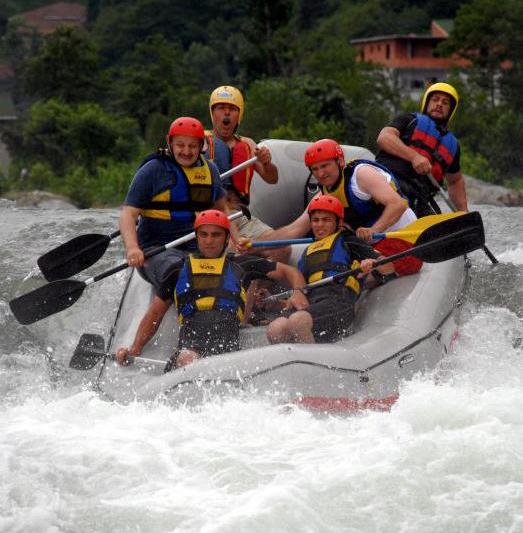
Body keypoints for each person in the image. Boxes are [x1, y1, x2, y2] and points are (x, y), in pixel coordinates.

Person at [116, 210, 309, 368]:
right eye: (204, 234)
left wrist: (298, 291)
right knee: (187, 358)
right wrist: (135, 348)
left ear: (226, 238)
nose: (209, 240)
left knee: (196, 361)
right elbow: (154, 314)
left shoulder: (242, 264)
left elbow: (289, 272)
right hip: (187, 351)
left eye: (216, 235)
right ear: (197, 237)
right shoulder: (178, 270)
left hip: (228, 352)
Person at [240, 138, 422, 277]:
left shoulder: (361, 175)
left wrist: (374, 230)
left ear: (340, 162)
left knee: (361, 275)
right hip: (370, 246)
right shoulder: (322, 196)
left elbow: (398, 204)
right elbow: (294, 230)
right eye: (315, 169)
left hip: (401, 236)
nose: (321, 173)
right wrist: (256, 246)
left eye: (325, 166)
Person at [119, 116, 229, 292]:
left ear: (201, 146)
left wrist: (235, 240)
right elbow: (128, 214)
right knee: (181, 273)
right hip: (155, 248)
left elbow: (222, 210)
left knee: (235, 272)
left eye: (192, 146)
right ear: (170, 143)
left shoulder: (211, 170)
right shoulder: (153, 169)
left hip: (197, 246)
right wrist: (132, 248)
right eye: (180, 145)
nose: (186, 151)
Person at [266, 195, 396, 344]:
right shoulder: (307, 252)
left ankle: (312, 364)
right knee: (276, 328)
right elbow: (306, 293)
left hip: (339, 301)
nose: (320, 225)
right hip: (314, 304)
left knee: (298, 321)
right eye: (315, 220)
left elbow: (389, 268)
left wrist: (372, 263)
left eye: (326, 220)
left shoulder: (349, 241)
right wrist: (277, 302)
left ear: (339, 223)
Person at [204, 85, 289, 262]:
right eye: (221, 108)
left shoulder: (248, 144)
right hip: (208, 216)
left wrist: (267, 162)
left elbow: (272, 178)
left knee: (282, 248)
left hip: (240, 216)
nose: (226, 114)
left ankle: (258, 289)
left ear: (239, 115)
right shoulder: (201, 141)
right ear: (213, 113)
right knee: (231, 255)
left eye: (232, 109)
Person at [376, 82, 468, 216]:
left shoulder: (453, 145)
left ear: (451, 110)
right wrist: (414, 157)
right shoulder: (409, 119)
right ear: (427, 102)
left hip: (419, 197)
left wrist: (463, 212)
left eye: (445, 102)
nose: (439, 104)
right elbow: (384, 137)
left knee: (434, 222)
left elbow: (455, 181)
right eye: (435, 99)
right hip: (389, 180)